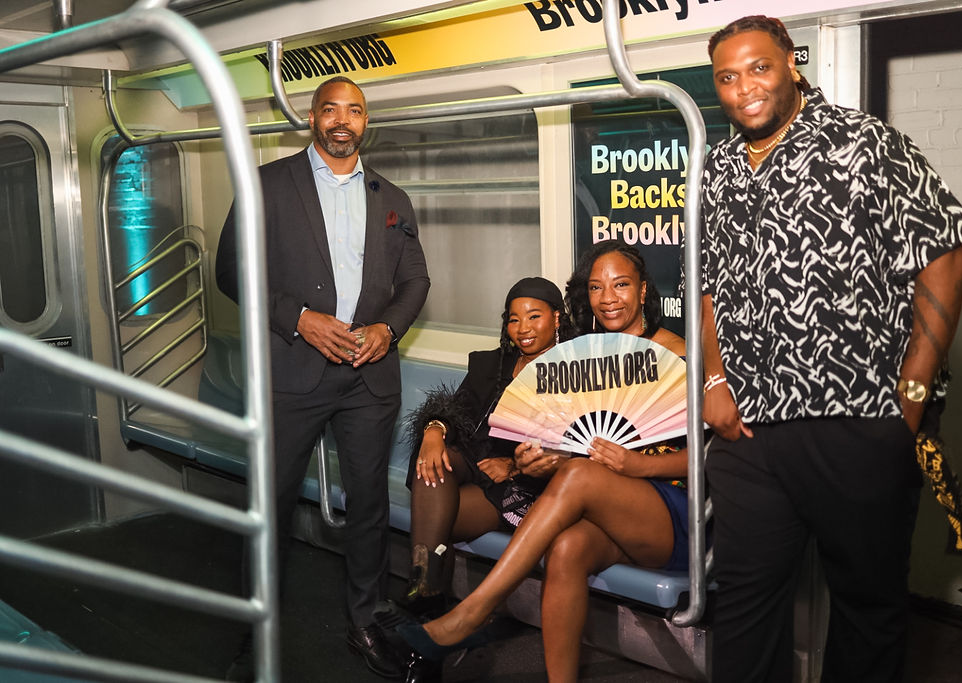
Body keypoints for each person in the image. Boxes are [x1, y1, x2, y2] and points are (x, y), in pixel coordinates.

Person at [699, 16, 962, 683]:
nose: (744, 89)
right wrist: (714, 379)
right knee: (740, 605)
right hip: (748, 434)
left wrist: (909, 400)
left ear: (792, 64)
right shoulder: (717, 169)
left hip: (853, 420)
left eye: (759, 68)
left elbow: (948, 248)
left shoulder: (863, 141)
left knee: (866, 612)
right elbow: (709, 282)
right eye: (728, 76)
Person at [215, 75, 429, 680]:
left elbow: (416, 282)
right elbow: (231, 272)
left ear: (366, 122)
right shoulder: (266, 184)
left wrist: (388, 330)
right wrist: (300, 319)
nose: (343, 120)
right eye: (331, 109)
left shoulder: (393, 199)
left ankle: (365, 621)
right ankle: (255, 633)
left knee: (368, 507)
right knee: (271, 507)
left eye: (354, 111)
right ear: (312, 117)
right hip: (293, 372)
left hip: (368, 376)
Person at [398, 240, 689, 683]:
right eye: (596, 288)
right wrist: (541, 462)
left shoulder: (677, 352)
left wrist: (636, 465)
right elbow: (576, 444)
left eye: (621, 285)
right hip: (600, 505)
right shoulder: (583, 359)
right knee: (566, 549)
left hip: (669, 510)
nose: (608, 298)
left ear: (644, 290)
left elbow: (711, 458)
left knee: (576, 474)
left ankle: (471, 613)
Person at [402, 277, 573, 615]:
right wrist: (433, 430)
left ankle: (427, 610)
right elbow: (456, 413)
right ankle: (429, 602)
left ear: (557, 318)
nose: (522, 328)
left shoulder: (574, 371)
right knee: (437, 464)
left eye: (534, 316)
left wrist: (513, 466)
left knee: (435, 524)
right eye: (513, 319)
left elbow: (572, 446)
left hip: (521, 488)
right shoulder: (490, 365)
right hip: (472, 464)